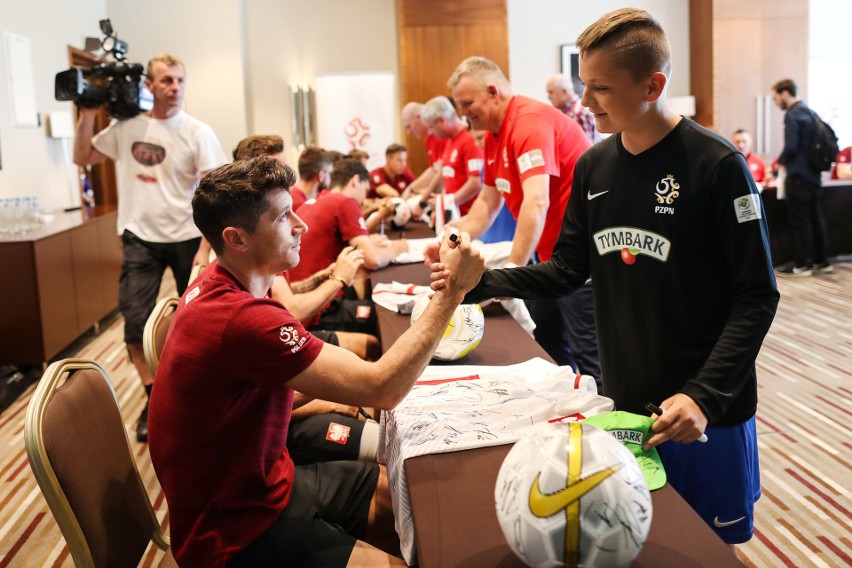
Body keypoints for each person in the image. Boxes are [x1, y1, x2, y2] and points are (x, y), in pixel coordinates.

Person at [432, 8, 779, 547]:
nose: (586, 102)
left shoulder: (718, 165)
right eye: (583, 86)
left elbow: (757, 296)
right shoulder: (594, 166)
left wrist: (704, 395)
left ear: (652, 85)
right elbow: (570, 270)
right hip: (627, 401)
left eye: (600, 89)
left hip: (708, 411)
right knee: (639, 540)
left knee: (708, 550)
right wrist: (480, 283)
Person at [148, 155, 485, 567]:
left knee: (406, 493)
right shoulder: (242, 318)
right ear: (237, 239)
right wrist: (452, 294)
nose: (301, 224)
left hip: (270, 482)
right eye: (283, 217)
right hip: (237, 530)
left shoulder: (219, 282)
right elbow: (383, 387)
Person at [73, 53, 227, 442]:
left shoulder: (197, 131)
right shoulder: (127, 128)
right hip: (140, 237)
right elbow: (82, 156)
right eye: (166, 81)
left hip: (189, 237)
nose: (174, 88)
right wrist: (88, 114)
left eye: (179, 80)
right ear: (149, 86)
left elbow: (215, 195)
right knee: (136, 323)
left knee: (200, 322)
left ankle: (201, 395)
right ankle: (154, 397)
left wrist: (206, 249)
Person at [426, 55, 601, 380]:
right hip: (551, 261)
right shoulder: (494, 135)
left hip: (583, 264)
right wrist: (450, 240)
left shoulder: (528, 122)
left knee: (590, 358)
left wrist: (512, 271)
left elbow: (536, 202)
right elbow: (486, 205)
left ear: (493, 91)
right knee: (547, 346)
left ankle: (611, 429)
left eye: (467, 103)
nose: (463, 115)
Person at [289, 158, 408, 330]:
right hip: (318, 305)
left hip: (303, 295)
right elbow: (372, 259)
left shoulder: (320, 199)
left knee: (362, 277)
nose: (363, 198)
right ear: (355, 180)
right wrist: (398, 247)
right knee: (384, 315)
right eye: (365, 190)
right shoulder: (345, 202)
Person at [771, 78, 834, 276]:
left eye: (775, 98)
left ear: (784, 93)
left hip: (798, 176)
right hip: (814, 176)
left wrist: (779, 162)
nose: (776, 103)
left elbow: (791, 146)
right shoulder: (810, 112)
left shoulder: (792, 115)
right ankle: (821, 261)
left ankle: (801, 265)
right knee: (816, 218)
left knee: (800, 222)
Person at [420, 95, 483, 215]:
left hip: (470, 217)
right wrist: (441, 208)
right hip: (455, 214)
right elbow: (448, 179)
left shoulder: (470, 139)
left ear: (442, 120)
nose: (431, 133)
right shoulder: (450, 141)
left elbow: (475, 183)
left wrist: (447, 202)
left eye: (431, 127)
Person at [401, 101, 448, 197]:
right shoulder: (428, 138)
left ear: (419, 117)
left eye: (409, 126)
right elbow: (434, 169)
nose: (409, 132)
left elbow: (443, 173)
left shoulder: (441, 134)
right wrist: (412, 189)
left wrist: (422, 196)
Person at [546, 73, 599, 143]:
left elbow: (586, 149)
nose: (548, 97)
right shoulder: (563, 112)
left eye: (551, 92)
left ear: (564, 92)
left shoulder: (579, 113)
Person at [292, 146, 334, 211]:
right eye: (330, 173)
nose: (330, 179)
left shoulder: (293, 197)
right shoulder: (299, 206)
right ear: (321, 175)